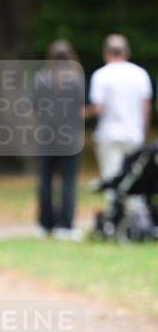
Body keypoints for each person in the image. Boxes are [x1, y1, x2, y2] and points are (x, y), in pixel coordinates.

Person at [32, 40, 85, 240]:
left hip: (46, 137)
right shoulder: (76, 79)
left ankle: (45, 224)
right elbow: (81, 109)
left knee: (45, 181)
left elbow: (33, 108)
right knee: (68, 181)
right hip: (69, 138)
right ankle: (65, 225)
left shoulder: (40, 78)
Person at [85, 35, 152, 182]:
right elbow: (145, 108)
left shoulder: (100, 75)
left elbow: (98, 108)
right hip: (134, 134)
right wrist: (143, 131)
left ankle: (115, 205)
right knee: (133, 181)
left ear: (106, 52)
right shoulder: (140, 74)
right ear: (126, 52)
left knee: (111, 180)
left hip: (108, 134)